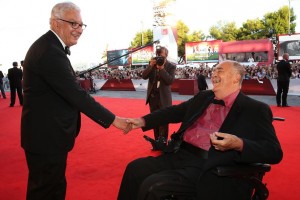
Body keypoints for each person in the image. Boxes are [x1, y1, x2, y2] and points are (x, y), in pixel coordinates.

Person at [118, 60, 283, 200]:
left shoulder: (255, 109)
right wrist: (142, 121)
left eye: (220, 70)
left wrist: (239, 144)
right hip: (179, 154)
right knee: (135, 169)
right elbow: (175, 112)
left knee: (154, 185)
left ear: (236, 78)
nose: (213, 73)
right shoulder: (204, 97)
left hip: (209, 166)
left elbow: (273, 151)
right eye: (214, 70)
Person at [21, 2, 129, 200]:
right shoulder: (49, 51)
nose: (79, 30)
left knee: (51, 187)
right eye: (73, 24)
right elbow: (76, 94)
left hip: (46, 136)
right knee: (47, 191)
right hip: (46, 137)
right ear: (55, 23)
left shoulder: (50, 47)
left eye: (81, 25)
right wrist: (115, 120)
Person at [142, 46, 176, 149]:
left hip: (164, 98)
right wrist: (150, 66)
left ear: (166, 55)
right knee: (154, 120)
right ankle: (156, 142)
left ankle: (163, 143)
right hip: (153, 97)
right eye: (157, 55)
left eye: (161, 55)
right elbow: (144, 76)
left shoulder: (171, 66)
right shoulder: (152, 63)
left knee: (164, 121)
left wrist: (161, 69)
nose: (159, 58)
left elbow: (169, 81)